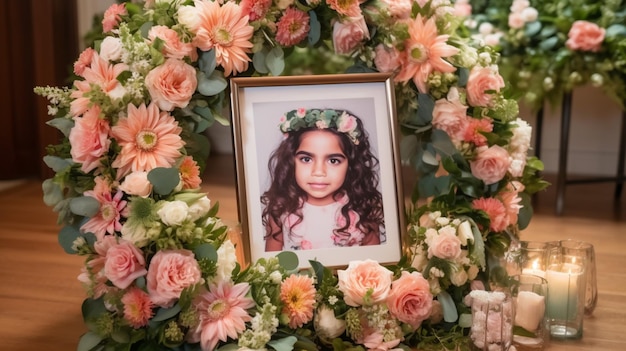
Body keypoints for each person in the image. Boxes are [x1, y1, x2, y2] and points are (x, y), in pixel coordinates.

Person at [261, 107, 385, 251]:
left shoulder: (363, 210)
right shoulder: (281, 209)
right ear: (291, 161)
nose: (318, 172)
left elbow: (375, 267)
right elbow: (271, 266)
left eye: (333, 161)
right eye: (306, 159)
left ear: (351, 165)